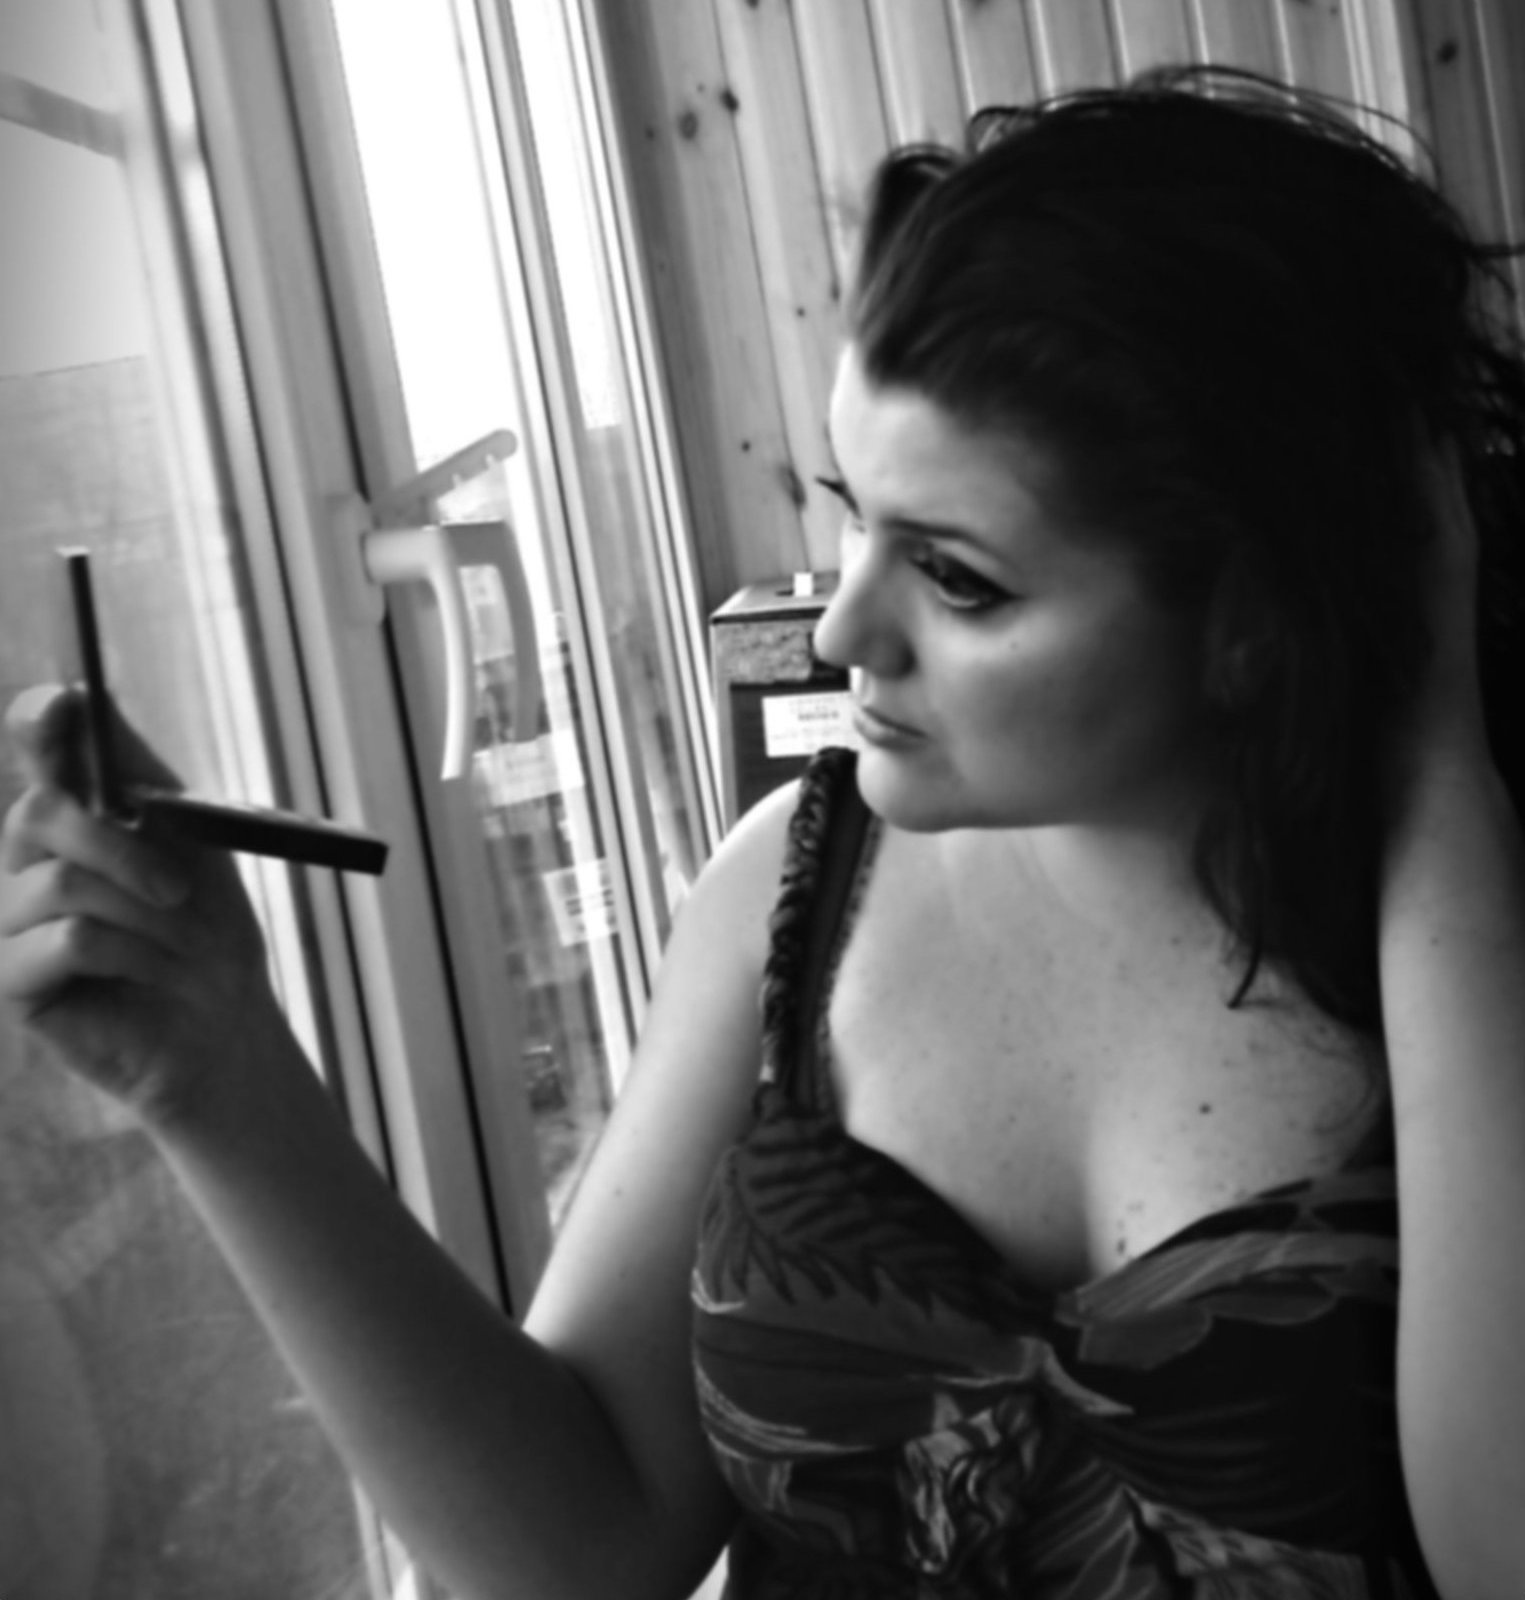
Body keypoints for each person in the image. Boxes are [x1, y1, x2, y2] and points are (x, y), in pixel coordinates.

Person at [2, 65, 1523, 1599]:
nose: (843, 629)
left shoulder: (1471, 927)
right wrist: (217, 1075)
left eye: (958, 578)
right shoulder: (794, 889)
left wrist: (1440, 781)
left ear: (1255, 615)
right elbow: (577, 1554)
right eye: (851, 513)